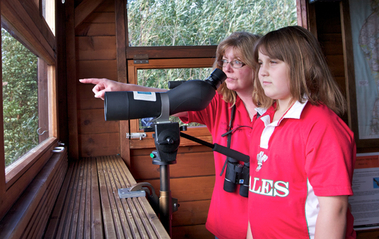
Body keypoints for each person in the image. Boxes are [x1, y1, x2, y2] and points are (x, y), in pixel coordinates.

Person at [80, 31, 260, 239]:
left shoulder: (279, 114)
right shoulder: (218, 105)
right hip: (225, 224)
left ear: (258, 66)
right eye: (224, 61)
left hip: (266, 226)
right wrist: (121, 89)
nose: (226, 69)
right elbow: (167, 100)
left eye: (237, 62)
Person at [246, 26, 356, 239]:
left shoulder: (322, 126)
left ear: (301, 65)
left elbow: (335, 209)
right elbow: (257, 196)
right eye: (260, 63)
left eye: (274, 62)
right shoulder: (263, 120)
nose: (263, 71)